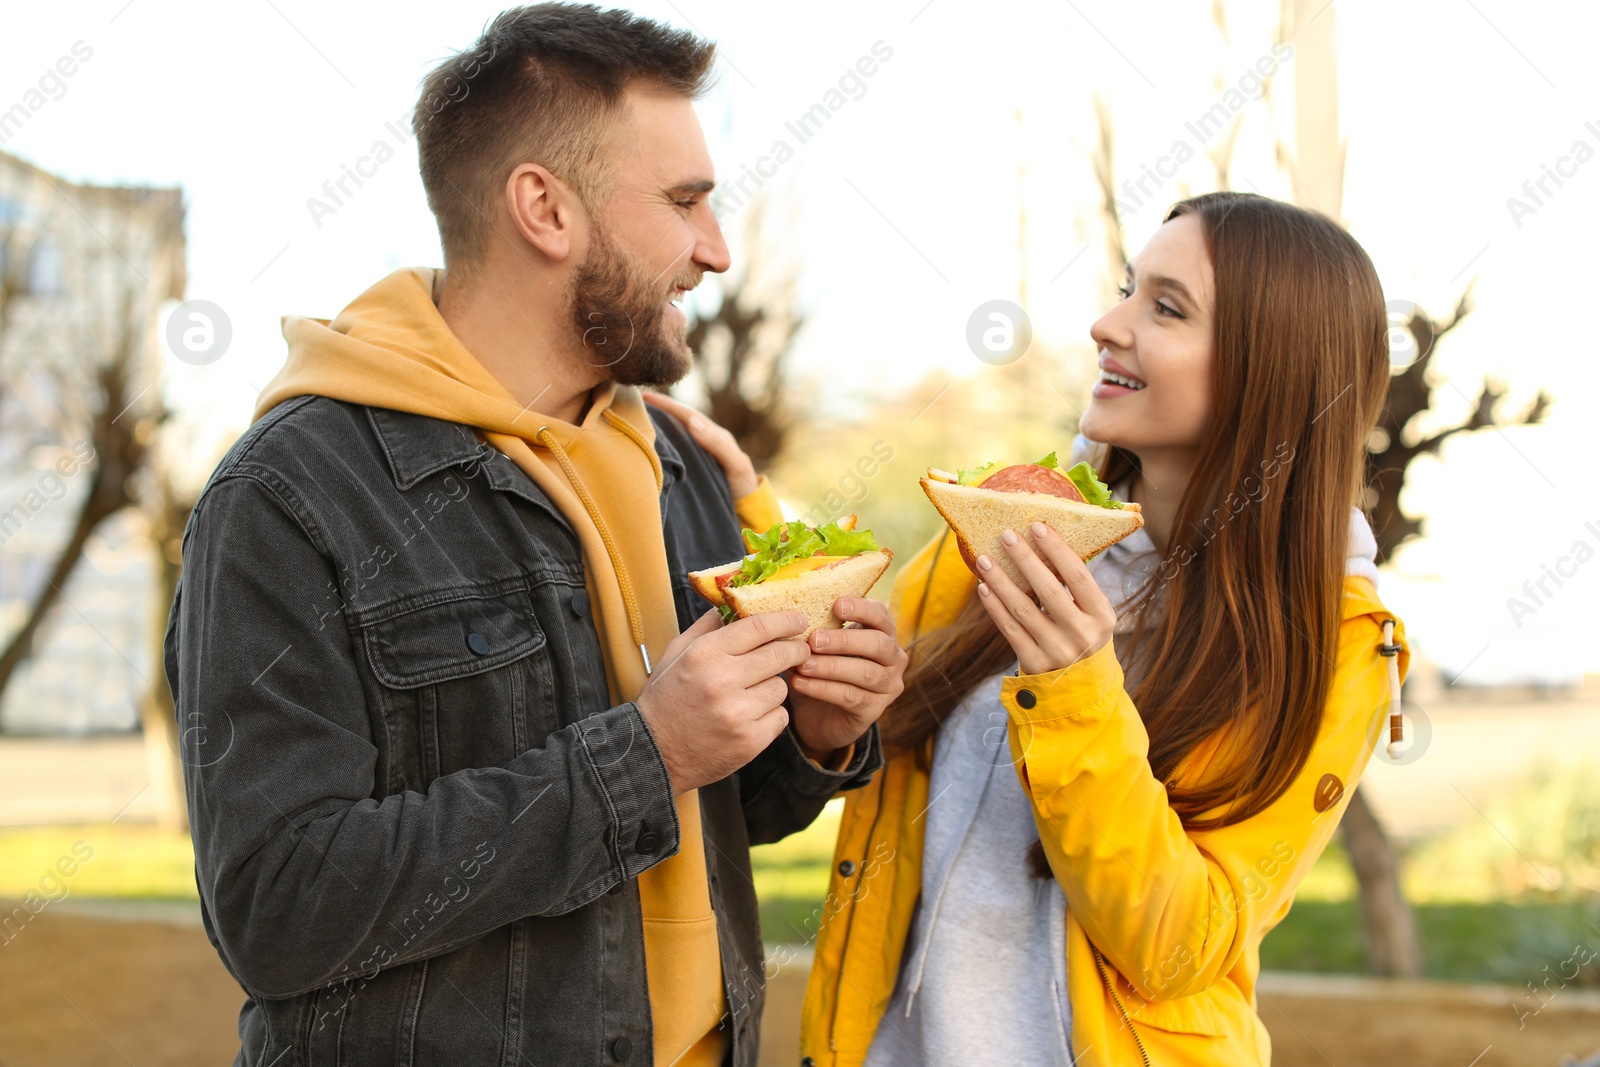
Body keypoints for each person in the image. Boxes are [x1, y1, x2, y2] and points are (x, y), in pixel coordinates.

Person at [162, 6, 905, 1066]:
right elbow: (278, 910)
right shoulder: (290, 494)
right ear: (544, 208)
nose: (718, 250)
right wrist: (641, 755)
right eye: (685, 201)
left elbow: (721, 814)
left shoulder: (676, 462)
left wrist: (815, 731)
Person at [687, 192, 1407, 1065]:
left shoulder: (1334, 648)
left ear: (1272, 370)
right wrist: (755, 519)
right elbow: (869, 680)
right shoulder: (1006, 529)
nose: (1108, 324)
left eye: (1167, 308)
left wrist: (1075, 690)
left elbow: (1179, 945)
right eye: (1128, 289)